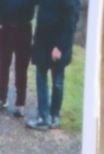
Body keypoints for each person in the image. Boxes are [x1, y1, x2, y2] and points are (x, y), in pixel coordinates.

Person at [29, 0, 81, 129]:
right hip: (42, 42)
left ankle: (54, 115)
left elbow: (70, 22)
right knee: (41, 78)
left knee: (57, 82)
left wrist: (59, 47)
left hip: (58, 45)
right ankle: (43, 117)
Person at [0, 0, 35, 115]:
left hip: (24, 28)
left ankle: (20, 104)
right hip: (4, 28)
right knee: (3, 65)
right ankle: (1, 100)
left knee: (22, 67)